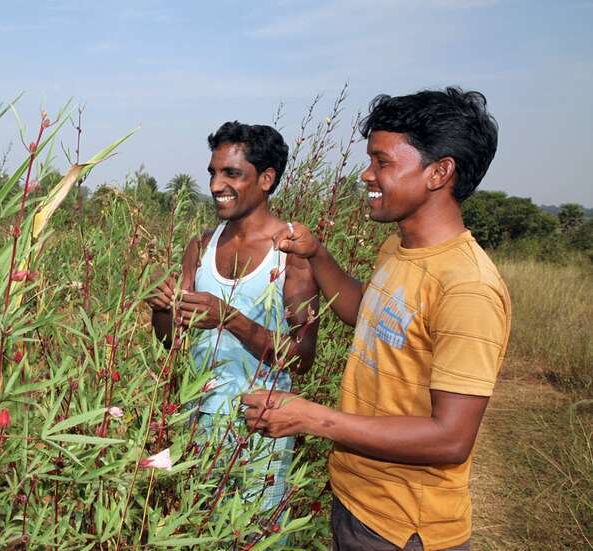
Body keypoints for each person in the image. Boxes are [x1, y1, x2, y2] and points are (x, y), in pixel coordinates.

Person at [242, 88, 510, 550]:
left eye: (382, 162)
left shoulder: (468, 288)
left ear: (439, 171)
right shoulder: (401, 249)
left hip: (405, 527)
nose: (366, 175)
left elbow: (450, 438)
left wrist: (311, 419)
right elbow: (361, 312)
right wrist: (316, 254)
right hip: (360, 500)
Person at [145, 121, 319, 512]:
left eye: (232, 174)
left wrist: (230, 319)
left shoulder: (291, 253)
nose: (215, 185)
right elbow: (173, 342)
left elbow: (303, 357)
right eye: (213, 172)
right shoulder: (202, 246)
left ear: (267, 179)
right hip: (197, 420)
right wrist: (162, 310)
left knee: (253, 534)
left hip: (262, 428)